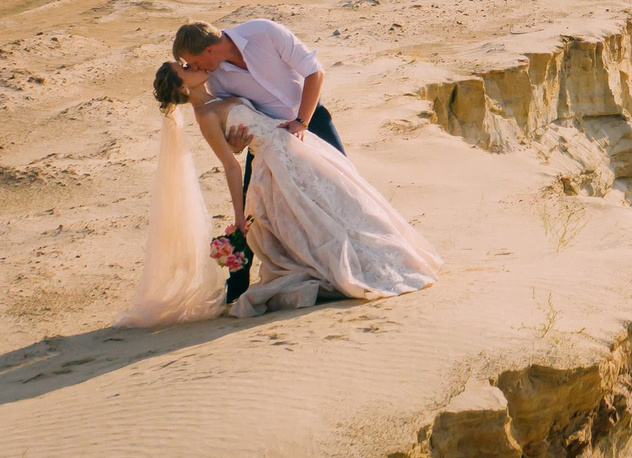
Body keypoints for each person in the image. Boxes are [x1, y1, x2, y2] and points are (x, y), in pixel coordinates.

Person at [144, 70, 443, 319]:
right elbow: (231, 166)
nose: (192, 65)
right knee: (316, 216)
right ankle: (343, 267)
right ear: (184, 86)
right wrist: (238, 215)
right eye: (185, 68)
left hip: (293, 145)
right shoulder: (205, 114)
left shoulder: (219, 95)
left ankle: (379, 257)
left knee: (341, 201)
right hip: (276, 162)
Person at [171, 19, 341, 302]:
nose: (195, 69)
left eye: (194, 62)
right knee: (252, 209)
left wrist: (302, 121)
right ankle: (237, 287)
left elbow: (314, 72)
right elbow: (235, 116)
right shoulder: (212, 79)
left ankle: (344, 258)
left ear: (210, 50)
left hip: (311, 119)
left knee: (341, 188)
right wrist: (235, 144)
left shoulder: (264, 33)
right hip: (269, 143)